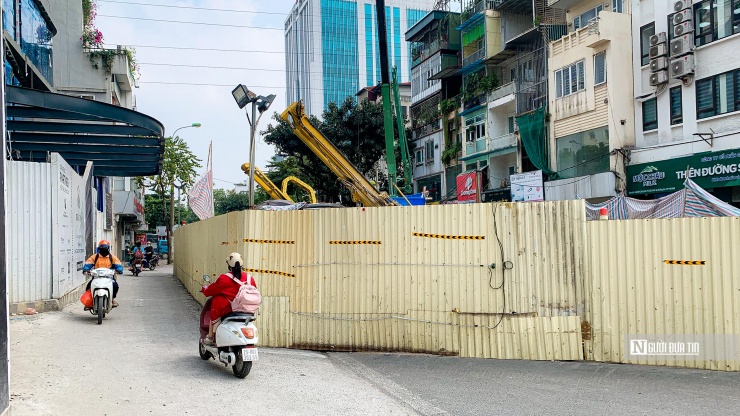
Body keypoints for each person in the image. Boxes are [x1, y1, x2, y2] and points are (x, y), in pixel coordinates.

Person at [200, 252, 257, 346]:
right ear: (242, 264)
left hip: (228, 309)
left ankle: (210, 337)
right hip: (247, 310)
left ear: (228, 265)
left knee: (216, 303)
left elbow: (209, 291)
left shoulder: (223, 279)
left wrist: (204, 288)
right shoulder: (250, 278)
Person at [82, 240, 124, 307]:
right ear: (99, 248)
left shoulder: (112, 257)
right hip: (96, 277)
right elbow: (88, 264)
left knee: (115, 286)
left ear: (108, 248)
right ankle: (90, 301)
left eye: (105, 248)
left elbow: (119, 266)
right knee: (88, 287)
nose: (103, 249)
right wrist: (86, 270)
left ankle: (112, 299)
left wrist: (119, 270)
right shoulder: (95, 257)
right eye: (102, 248)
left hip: (109, 278)